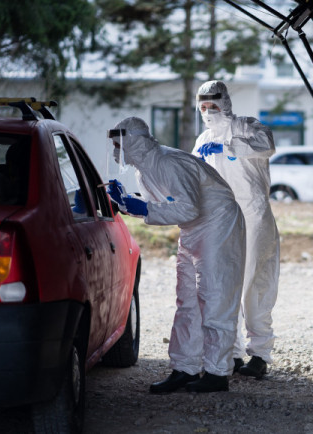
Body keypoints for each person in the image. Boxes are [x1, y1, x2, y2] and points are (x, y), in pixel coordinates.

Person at [106, 116, 246, 393]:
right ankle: (185, 368)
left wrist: (143, 209)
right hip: (194, 228)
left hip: (218, 222)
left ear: (134, 141)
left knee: (215, 296)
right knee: (188, 300)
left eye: (119, 144)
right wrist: (129, 203)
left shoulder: (169, 162)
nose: (116, 150)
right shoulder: (144, 170)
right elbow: (167, 205)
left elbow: (188, 207)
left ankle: (217, 374)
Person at [193, 80, 280, 379]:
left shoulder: (248, 126)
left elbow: (267, 146)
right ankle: (231, 353)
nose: (208, 111)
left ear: (225, 103)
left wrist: (228, 146)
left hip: (253, 214)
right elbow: (193, 176)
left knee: (254, 284)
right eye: (202, 107)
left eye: (213, 105)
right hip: (220, 219)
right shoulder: (202, 138)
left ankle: (260, 354)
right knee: (224, 285)